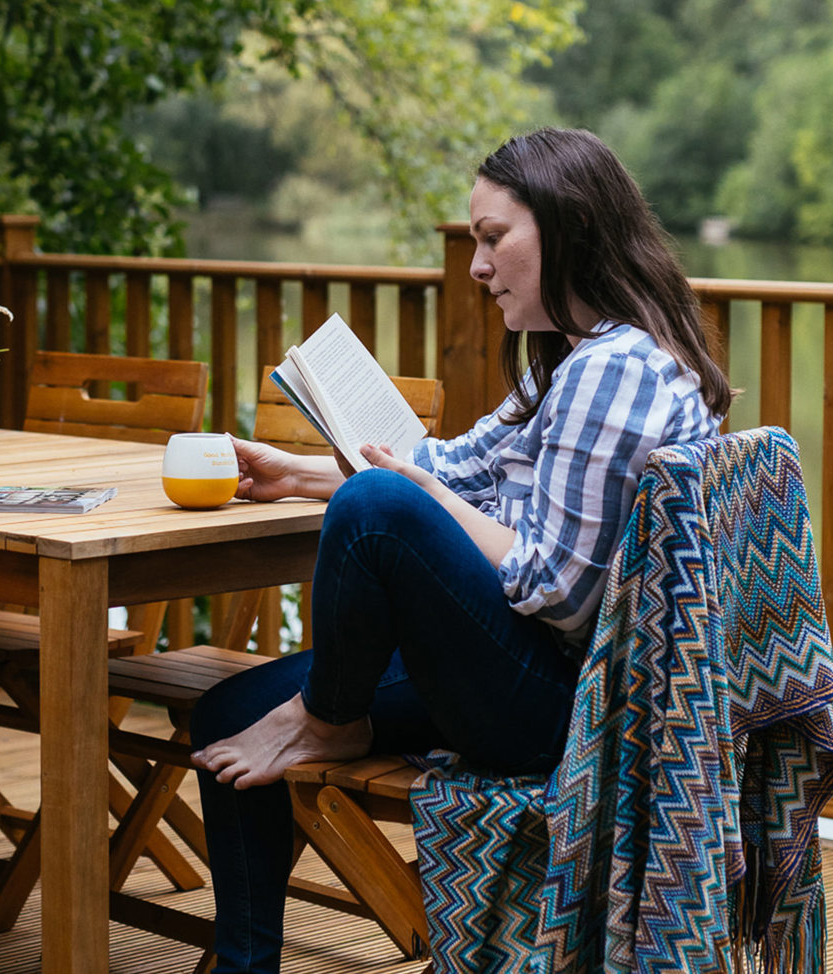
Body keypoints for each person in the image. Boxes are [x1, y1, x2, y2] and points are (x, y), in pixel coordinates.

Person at [187, 126, 734, 973]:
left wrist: (411, 499)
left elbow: (559, 591)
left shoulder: (612, 370)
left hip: (565, 705)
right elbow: (452, 469)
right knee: (228, 713)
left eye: (492, 238)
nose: (476, 266)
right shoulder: (570, 358)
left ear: (570, 227)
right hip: (522, 668)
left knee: (377, 505)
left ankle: (328, 719)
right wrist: (297, 474)